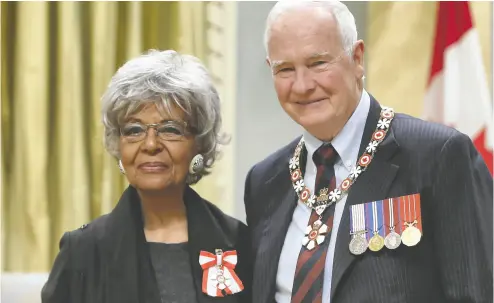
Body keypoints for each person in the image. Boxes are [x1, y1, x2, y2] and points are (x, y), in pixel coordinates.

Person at [243, 1, 493, 303]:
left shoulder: (437, 156)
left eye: (318, 63)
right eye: (285, 69)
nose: (302, 85)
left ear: (357, 58)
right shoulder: (264, 182)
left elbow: (476, 292)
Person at [42, 50, 252, 303]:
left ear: (199, 143)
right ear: (118, 145)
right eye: (134, 130)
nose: (150, 144)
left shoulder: (239, 242)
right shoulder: (83, 251)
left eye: (170, 129)